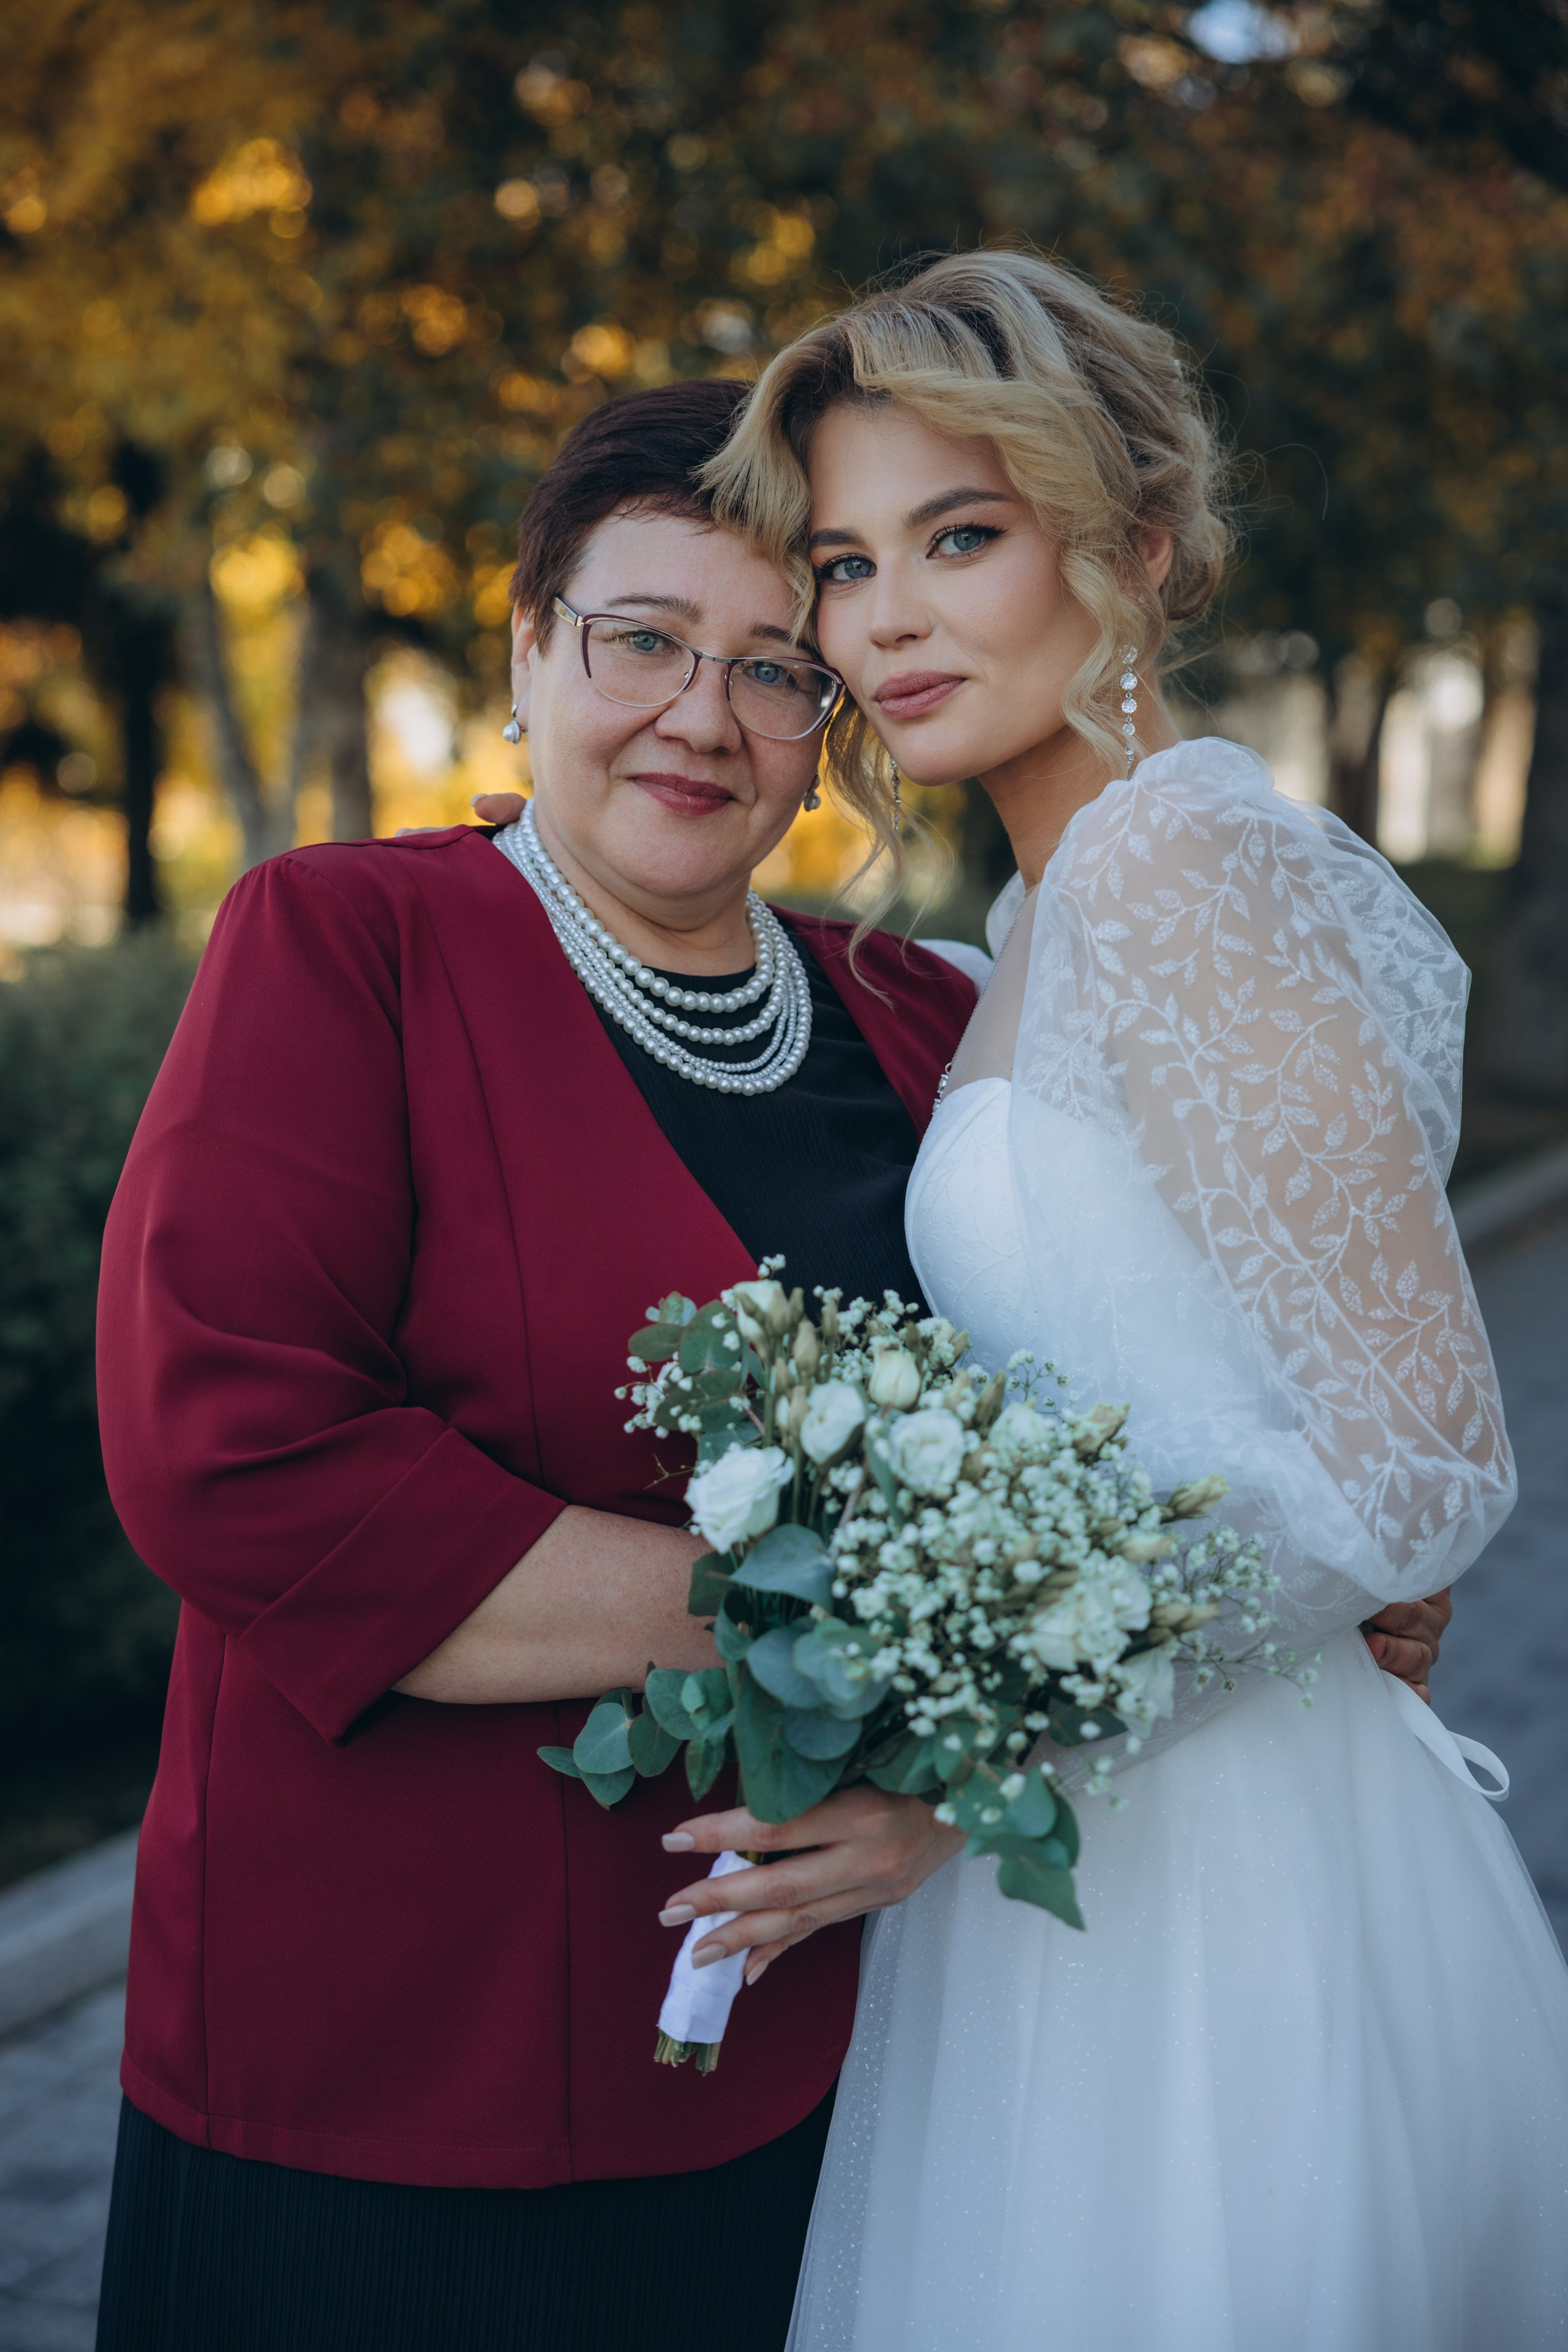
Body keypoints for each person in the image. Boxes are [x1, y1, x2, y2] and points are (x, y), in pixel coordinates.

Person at [655, 252, 1568, 2350]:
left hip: (1223, 1882)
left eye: (957, 539)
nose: (881, 618)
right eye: (846, 559)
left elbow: (1425, 1455)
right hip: (1069, 1853)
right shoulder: (1041, 914)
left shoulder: (1179, 869)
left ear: (1132, 545)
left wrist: (991, 1754)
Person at [91, 379, 980, 2352]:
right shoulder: (349, 942)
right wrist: (824, 1634)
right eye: (642, 638)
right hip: (385, 2069)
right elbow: (233, 1455)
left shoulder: (922, 1020)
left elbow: (1086, 1447)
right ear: (527, 654)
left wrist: (964, 1780)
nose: (703, 713)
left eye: (772, 670)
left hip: (811, 2061)